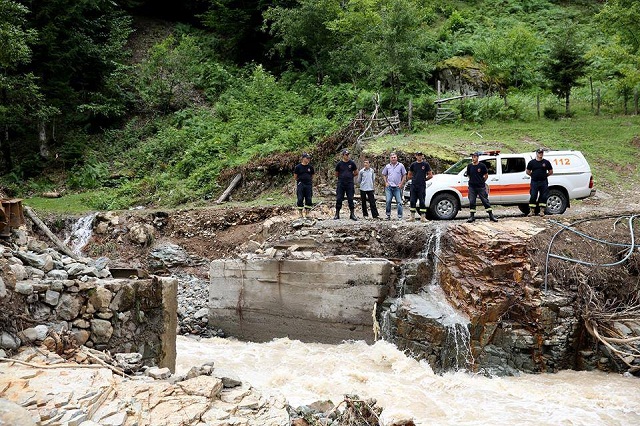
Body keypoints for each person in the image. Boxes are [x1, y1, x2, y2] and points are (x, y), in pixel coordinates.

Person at [466, 152, 498, 223]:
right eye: (472, 157)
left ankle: (491, 216)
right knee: (472, 201)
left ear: (477, 157)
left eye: (474, 157)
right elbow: (468, 175)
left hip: (481, 187)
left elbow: (486, 175)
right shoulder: (469, 166)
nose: (473, 158)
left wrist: (482, 181)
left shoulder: (482, 166)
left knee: (485, 201)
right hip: (472, 187)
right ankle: (472, 216)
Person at [526, 148, 554, 217]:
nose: (540, 154)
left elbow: (551, 172)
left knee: (543, 196)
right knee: (533, 196)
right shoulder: (532, 162)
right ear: (536, 153)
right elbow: (527, 171)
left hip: (543, 182)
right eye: (539, 153)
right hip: (534, 182)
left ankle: (542, 211)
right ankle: (532, 211)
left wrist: (545, 175)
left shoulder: (546, 162)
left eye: (541, 153)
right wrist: (533, 175)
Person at [407, 151, 433, 222]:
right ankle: (412, 217)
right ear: (416, 156)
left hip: (421, 185)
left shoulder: (426, 164)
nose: (419, 157)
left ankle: (423, 217)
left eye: (420, 155)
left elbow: (430, 175)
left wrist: (424, 179)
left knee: (422, 201)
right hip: (414, 185)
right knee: (412, 200)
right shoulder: (413, 164)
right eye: (418, 155)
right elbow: (409, 175)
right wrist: (414, 179)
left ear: (423, 156)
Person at [334, 148, 359, 220]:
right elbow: (336, 174)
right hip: (341, 183)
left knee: (350, 198)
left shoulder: (352, 163)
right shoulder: (339, 164)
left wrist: (350, 176)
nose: (347, 156)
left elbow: (356, 172)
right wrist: (342, 177)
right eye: (346, 155)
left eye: (348, 154)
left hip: (349, 183)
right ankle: (337, 214)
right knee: (339, 198)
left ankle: (352, 214)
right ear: (343, 155)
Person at [381, 152, 407, 220]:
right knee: (388, 201)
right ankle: (388, 215)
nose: (393, 159)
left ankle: (400, 216)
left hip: (397, 187)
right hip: (389, 187)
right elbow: (383, 174)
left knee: (399, 202)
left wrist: (401, 184)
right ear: (390, 158)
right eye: (392, 157)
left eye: (394, 157)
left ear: (397, 158)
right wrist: (386, 182)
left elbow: (404, 175)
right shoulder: (387, 166)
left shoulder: (401, 166)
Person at [293, 152, 314, 218]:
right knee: (300, 198)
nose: (308, 159)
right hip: (301, 184)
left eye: (309, 158)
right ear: (303, 158)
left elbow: (312, 175)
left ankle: (307, 212)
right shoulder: (298, 167)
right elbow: (295, 176)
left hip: (308, 184)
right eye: (307, 158)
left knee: (309, 198)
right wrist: (300, 181)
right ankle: (300, 213)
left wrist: (308, 180)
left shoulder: (310, 167)